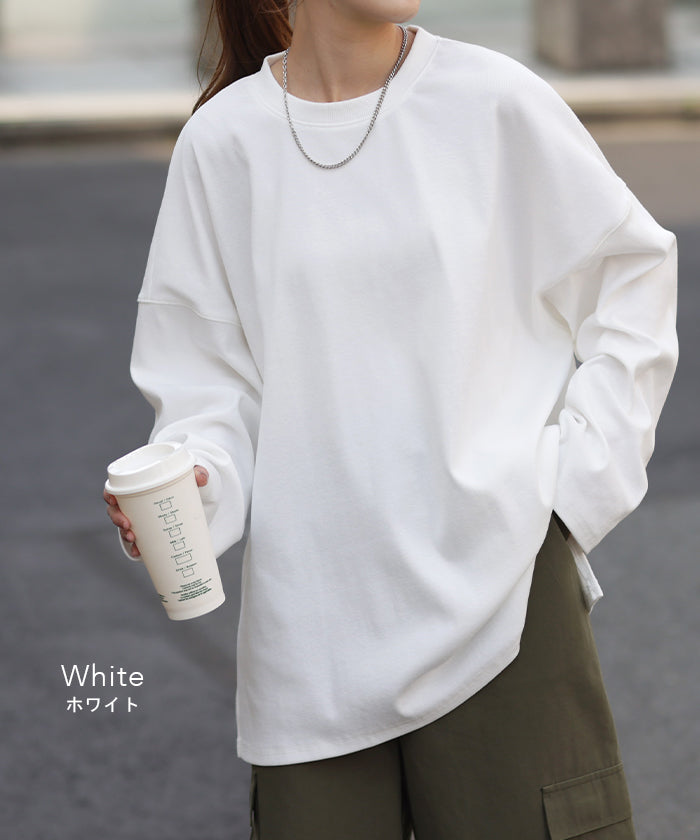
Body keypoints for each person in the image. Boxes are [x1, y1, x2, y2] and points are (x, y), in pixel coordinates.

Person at [103, 0, 678, 837]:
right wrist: (195, 489)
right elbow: (207, 392)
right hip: (312, 638)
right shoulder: (223, 144)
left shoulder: (494, 100)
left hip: (504, 600)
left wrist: (573, 493)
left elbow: (631, 277)